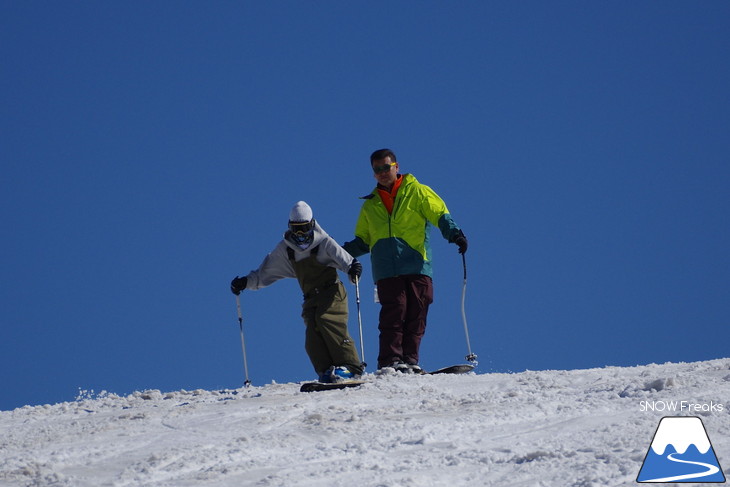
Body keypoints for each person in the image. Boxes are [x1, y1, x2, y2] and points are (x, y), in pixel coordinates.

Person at [343, 149, 467, 374]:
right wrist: (340, 254)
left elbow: (439, 214)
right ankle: (390, 361)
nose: (382, 173)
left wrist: (455, 234)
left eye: (386, 167)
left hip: (417, 263)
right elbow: (363, 241)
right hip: (387, 268)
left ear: (396, 167)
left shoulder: (418, 192)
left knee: (417, 311)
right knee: (394, 311)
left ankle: (410, 360)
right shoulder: (371, 205)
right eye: (377, 169)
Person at [230, 201, 364, 383]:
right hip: (310, 297)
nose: (300, 234)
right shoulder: (286, 250)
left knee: (328, 321)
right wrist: (246, 282)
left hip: (332, 292)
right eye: (296, 229)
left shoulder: (324, 242)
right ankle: (327, 371)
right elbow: (264, 273)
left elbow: (345, 259)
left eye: (304, 228)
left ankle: (350, 367)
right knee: (312, 336)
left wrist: (353, 269)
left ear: (312, 224)